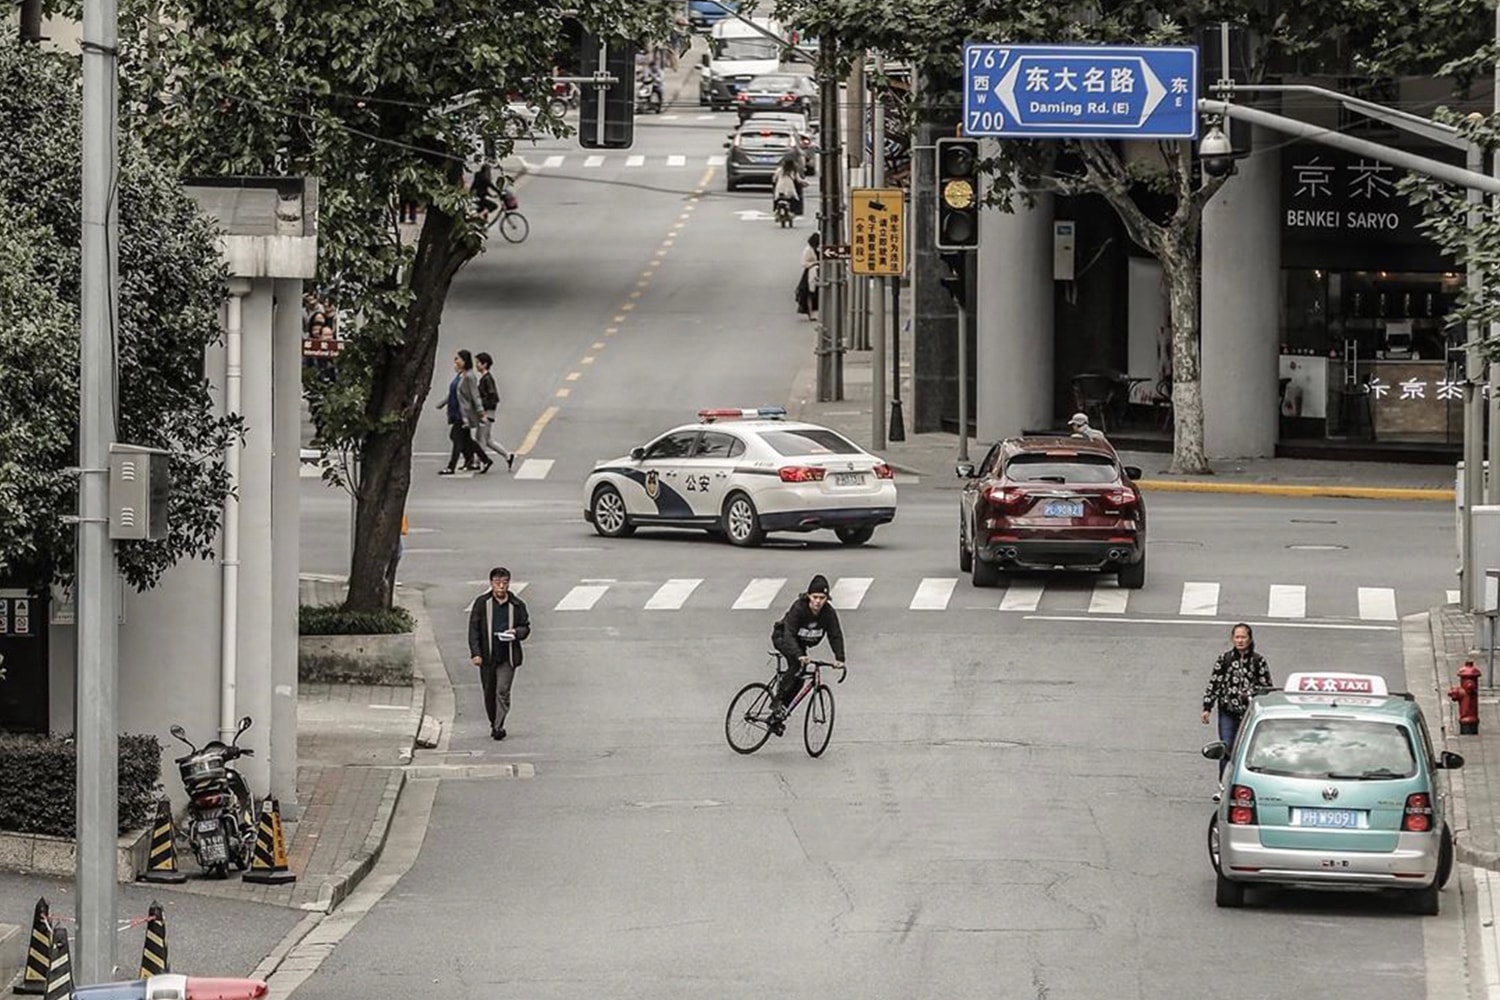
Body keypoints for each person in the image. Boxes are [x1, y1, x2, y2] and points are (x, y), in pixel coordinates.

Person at [768, 575, 845, 735]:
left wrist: (839, 658)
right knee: (796, 665)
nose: (818, 601)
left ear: (827, 598)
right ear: (809, 596)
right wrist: (799, 655)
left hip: (799, 643)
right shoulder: (799, 608)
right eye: (815, 597)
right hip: (783, 637)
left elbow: (835, 635)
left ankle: (779, 715)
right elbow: (789, 633)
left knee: (800, 679)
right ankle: (777, 700)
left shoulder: (828, 613)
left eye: (822, 598)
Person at [1200, 623, 1272, 782]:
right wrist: (1207, 707)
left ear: (1250, 639)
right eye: (1237, 637)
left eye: (1243, 637)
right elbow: (1214, 683)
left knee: (1249, 750)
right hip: (1228, 711)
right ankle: (1224, 785)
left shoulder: (1258, 661)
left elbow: (1266, 687)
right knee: (1226, 748)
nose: (1240, 640)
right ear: (1232, 639)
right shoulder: (1224, 659)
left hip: (1250, 713)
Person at [468, 567, 532, 740]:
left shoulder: (517, 605)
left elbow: (526, 627)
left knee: (502, 691)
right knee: (489, 691)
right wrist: (476, 653)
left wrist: (516, 632)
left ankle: (499, 726)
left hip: (507, 656)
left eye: (504, 583)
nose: (501, 586)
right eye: (497, 583)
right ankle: (493, 721)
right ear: (491, 583)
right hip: (487, 655)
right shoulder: (482, 603)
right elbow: (474, 629)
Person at [436, 350, 488, 474]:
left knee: (456, 438)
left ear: (465, 361)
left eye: (458, 358)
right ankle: (484, 460)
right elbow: (453, 393)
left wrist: (481, 413)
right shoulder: (460, 375)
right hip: (455, 411)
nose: (456, 361)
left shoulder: (470, 376)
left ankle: (451, 467)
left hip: (464, 413)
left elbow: (475, 396)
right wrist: (442, 404)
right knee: (465, 439)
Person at [472, 352, 516, 471]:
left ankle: (480, 462)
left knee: (481, 438)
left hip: (487, 413)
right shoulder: (484, 379)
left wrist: (481, 404)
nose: (476, 365)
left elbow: (494, 398)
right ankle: (508, 456)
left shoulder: (487, 379)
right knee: (487, 440)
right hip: (486, 412)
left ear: (485, 364)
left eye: (478, 363)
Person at [796, 232, 820, 321]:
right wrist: (815, 263)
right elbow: (804, 263)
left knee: (816, 293)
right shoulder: (808, 250)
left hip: (817, 272)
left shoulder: (816, 249)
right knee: (809, 293)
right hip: (810, 273)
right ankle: (811, 313)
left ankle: (815, 312)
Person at [771, 153, 804, 221]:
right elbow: (799, 180)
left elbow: (774, 179)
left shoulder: (779, 170)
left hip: (779, 190)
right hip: (789, 191)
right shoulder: (794, 171)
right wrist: (805, 183)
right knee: (795, 199)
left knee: (776, 198)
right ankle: (794, 211)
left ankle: (776, 210)